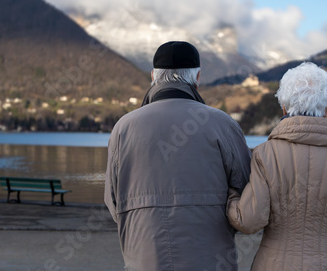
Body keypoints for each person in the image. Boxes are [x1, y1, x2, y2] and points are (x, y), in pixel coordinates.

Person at [105, 41, 251, 271]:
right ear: (198, 77)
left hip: (144, 258)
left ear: (153, 76)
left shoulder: (124, 127)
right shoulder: (222, 123)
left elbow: (113, 201)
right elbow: (245, 192)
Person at [227, 62, 327, 271]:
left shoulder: (265, 154)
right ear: (326, 109)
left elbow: (249, 220)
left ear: (284, 107)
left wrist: (231, 197)